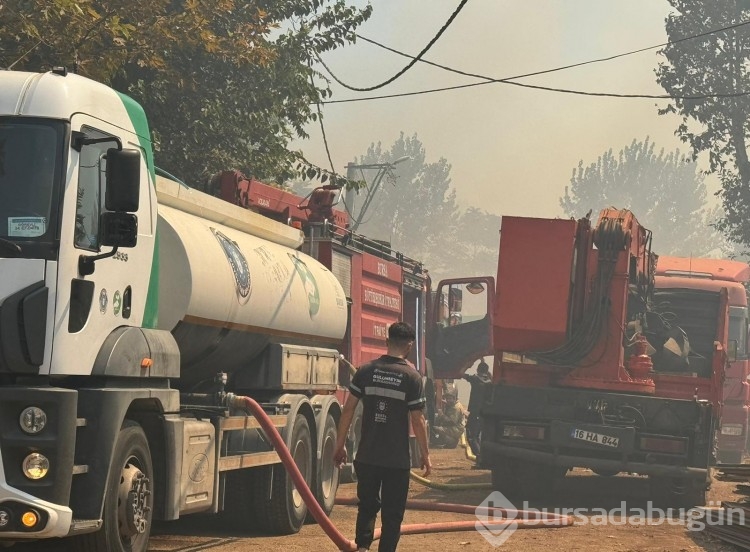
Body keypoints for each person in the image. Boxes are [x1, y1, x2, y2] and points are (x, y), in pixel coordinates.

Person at [334, 322, 431, 552]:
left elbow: (348, 410)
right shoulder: (412, 377)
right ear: (409, 346)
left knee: (366, 506)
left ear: (387, 342)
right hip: (396, 461)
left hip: (367, 456)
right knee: (392, 514)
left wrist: (339, 445)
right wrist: (425, 454)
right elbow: (418, 420)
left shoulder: (365, 371)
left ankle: (363, 548)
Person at [462, 358, 492, 456]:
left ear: (477, 370)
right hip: (485, 414)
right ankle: (482, 456)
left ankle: (479, 457)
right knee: (479, 436)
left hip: (475, 413)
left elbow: (461, 373)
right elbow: (489, 374)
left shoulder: (475, 379)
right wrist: (482, 361)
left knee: (471, 436)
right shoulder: (490, 382)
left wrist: (469, 363)